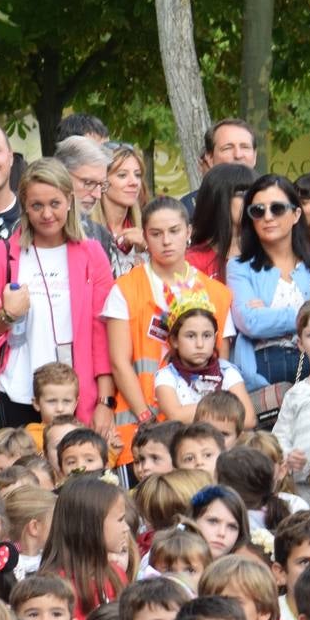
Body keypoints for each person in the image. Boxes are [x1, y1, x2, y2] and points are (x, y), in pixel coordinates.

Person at [0, 159, 114, 432]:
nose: (47, 214)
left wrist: (106, 401)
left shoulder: (92, 255)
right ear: (24, 205)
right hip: (15, 393)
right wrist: (6, 315)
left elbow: (103, 333)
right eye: (37, 206)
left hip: (73, 399)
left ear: (69, 201)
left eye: (54, 204)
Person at [105, 196, 234, 464]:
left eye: (174, 231)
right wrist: (145, 417)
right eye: (156, 233)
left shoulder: (217, 294)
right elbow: (119, 362)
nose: (166, 241)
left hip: (196, 423)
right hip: (140, 422)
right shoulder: (125, 289)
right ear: (144, 237)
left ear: (188, 232)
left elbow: (221, 363)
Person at [227, 174, 310, 393]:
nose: (268, 217)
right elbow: (249, 322)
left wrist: (269, 314)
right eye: (258, 211)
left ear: (296, 214)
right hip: (262, 370)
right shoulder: (238, 267)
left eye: (277, 208)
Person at [97, 142, 148, 279]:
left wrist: (148, 246)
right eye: (122, 175)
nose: (134, 182)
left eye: (137, 175)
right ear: (102, 182)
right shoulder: (87, 231)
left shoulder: (149, 229)